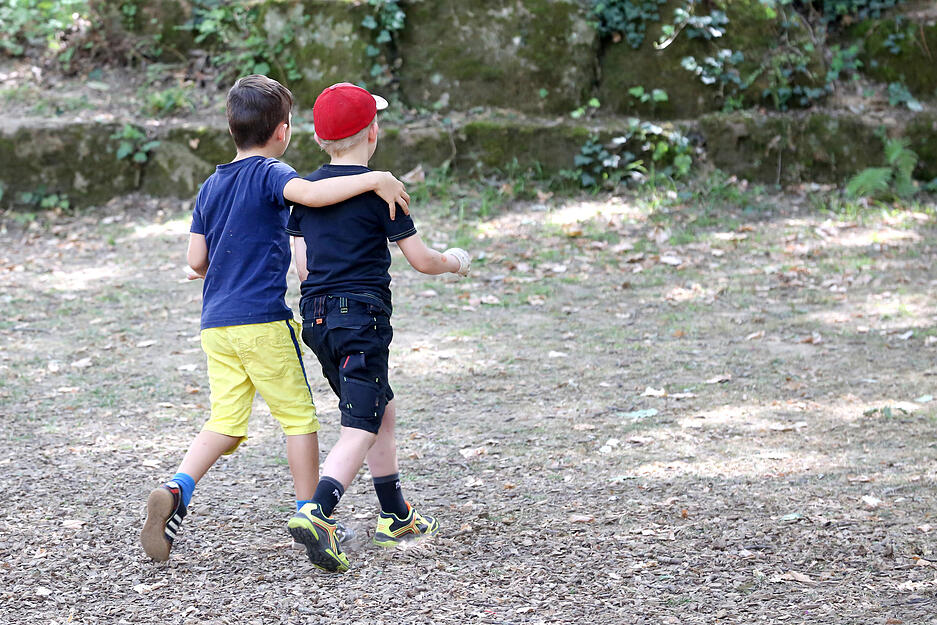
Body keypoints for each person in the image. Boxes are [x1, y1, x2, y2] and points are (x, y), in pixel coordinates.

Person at [140, 74, 410, 562]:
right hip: (262, 321)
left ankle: (178, 487)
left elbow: (196, 260)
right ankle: (314, 517)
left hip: (215, 325)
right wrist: (376, 179)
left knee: (225, 422)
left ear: (231, 128)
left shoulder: (210, 185)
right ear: (283, 131)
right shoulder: (271, 173)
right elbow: (313, 196)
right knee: (299, 420)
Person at [285, 82, 470, 573]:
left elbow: (302, 267)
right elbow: (422, 260)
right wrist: (455, 261)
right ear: (373, 133)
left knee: (380, 407)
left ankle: (395, 515)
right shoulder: (382, 191)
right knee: (361, 425)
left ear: (320, 140)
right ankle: (317, 512)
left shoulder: (306, 194)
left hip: (318, 320)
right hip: (360, 321)